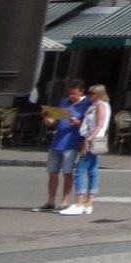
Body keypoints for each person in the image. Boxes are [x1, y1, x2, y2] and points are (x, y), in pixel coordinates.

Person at [59, 83, 109, 216]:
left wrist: (87, 140)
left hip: (93, 140)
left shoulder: (100, 106)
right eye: (89, 93)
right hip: (93, 139)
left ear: (99, 94)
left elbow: (99, 125)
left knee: (80, 170)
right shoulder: (94, 106)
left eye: (92, 94)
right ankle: (89, 202)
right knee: (92, 170)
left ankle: (79, 202)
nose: (89, 96)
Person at [42, 80, 88, 213]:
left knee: (67, 173)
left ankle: (65, 200)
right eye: (70, 93)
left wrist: (77, 122)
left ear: (81, 92)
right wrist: (47, 117)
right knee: (52, 173)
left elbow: (88, 124)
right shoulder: (64, 102)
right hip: (57, 141)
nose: (71, 96)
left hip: (72, 142)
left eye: (74, 93)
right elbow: (54, 122)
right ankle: (51, 201)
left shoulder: (86, 104)